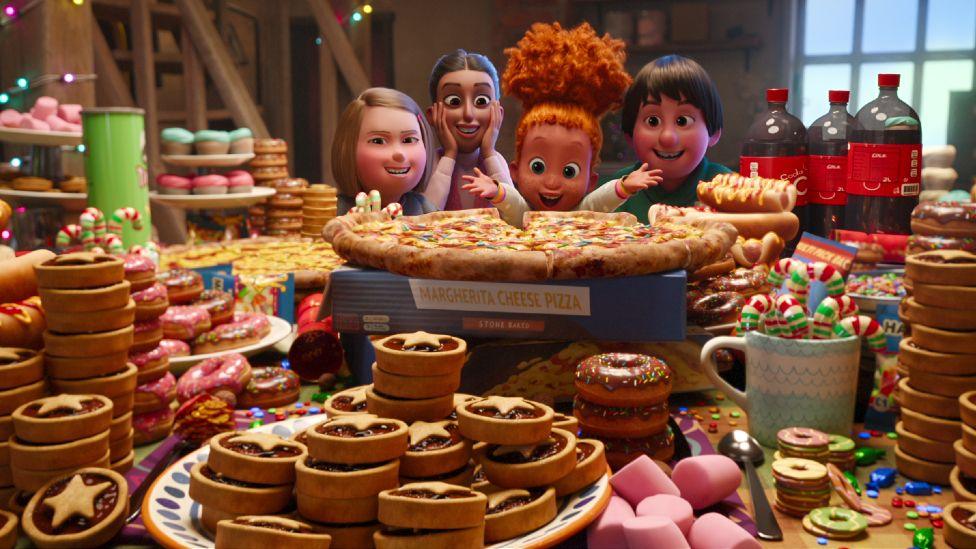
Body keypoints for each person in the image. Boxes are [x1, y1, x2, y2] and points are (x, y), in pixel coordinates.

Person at [462, 22, 660, 227]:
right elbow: (514, 204)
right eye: (537, 167)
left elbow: (599, 201)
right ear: (515, 171)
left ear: (590, 181)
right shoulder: (525, 215)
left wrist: (624, 187)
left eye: (569, 171)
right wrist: (497, 191)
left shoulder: (582, 214)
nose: (552, 182)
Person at [602, 55, 731, 223]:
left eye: (682, 121)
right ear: (629, 135)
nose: (668, 137)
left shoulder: (728, 188)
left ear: (713, 133)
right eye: (653, 121)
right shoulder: (616, 190)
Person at [426, 49, 512, 210]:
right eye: (454, 101)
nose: (468, 113)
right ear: (432, 114)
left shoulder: (496, 161)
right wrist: (449, 155)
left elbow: (515, 214)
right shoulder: (430, 163)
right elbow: (426, 217)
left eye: (481, 101)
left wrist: (489, 153)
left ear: (498, 114)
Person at [332, 87, 438, 216]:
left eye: (409, 140)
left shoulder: (423, 208)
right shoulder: (335, 211)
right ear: (348, 149)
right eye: (378, 141)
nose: (399, 153)